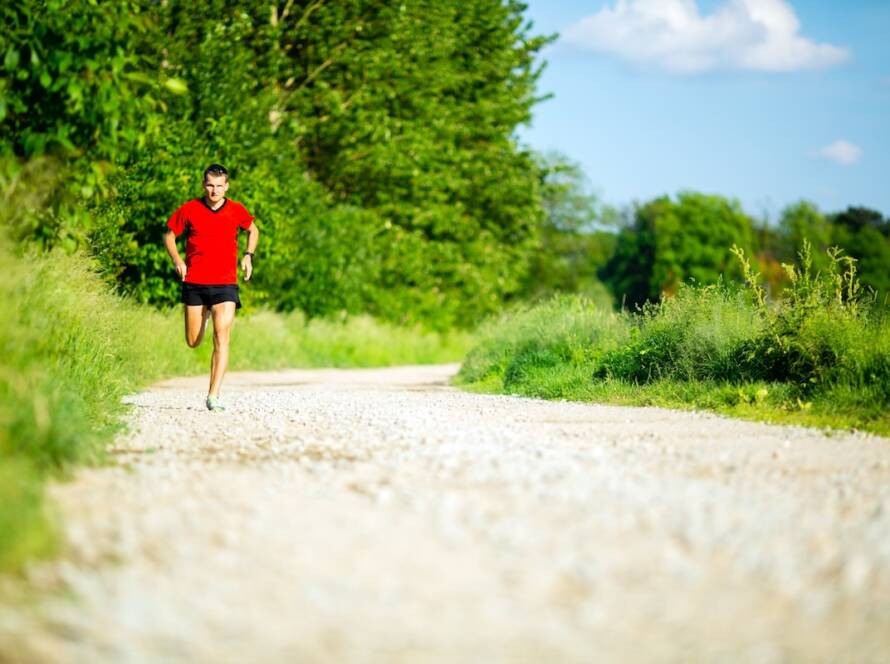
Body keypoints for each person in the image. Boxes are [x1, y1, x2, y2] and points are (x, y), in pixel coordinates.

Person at [163, 164, 259, 412]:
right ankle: (203, 315)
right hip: (195, 282)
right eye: (210, 185)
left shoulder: (236, 210)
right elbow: (169, 235)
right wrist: (177, 260)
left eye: (219, 186)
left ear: (226, 186)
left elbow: (253, 229)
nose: (214, 190)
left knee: (222, 337)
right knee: (193, 341)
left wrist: (248, 255)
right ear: (203, 185)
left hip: (226, 283)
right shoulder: (190, 209)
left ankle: (213, 395)